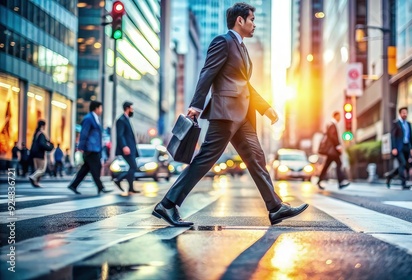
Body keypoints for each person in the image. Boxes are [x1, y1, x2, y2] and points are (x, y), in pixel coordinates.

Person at [152, 3, 308, 227]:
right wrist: (196, 105)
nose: (255, 24)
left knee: (256, 157)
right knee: (207, 157)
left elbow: (245, 85)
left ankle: (275, 207)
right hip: (225, 112)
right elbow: (207, 72)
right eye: (252, 19)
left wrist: (266, 108)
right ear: (240, 21)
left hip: (242, 115)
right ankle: (168, 204)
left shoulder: (242, 48)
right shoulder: (223, 42)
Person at [67, 101, 112, 195]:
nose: (101, 110)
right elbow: (84, 133)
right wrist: (81, 147)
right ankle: (100, 187)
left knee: (86, 168)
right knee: (96, 167)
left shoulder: (95, 118)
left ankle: (73, 185)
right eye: (100, 108)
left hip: (95, 148)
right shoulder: (88, 118)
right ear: (96, 108)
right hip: (90, 149)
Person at [317, 111, 350, 190]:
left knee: (327, 166)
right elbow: (332, 136)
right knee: (339, 163)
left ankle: (319, 180)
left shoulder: (330, 124)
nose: (340, 118)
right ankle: (341, 182)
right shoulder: (332, 124)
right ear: (335, 116)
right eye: (339, 117)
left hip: (331, 151)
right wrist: (338, 146)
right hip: (333, 151)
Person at [113, 101, 140, 194]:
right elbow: (120, 135)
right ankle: (118, 179)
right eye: (132, 108)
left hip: (130, 148)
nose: (133, 110)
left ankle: (131, 188)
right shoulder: (121, 120)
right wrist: (124, 146)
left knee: (132, 167)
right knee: (133, 167)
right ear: (128, 108)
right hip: (126, 149)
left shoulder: (126, 119)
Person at [385, 107, 412, 189]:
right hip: (399, 148)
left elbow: (411, 137)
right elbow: (393, 137)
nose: (405, 114)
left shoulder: (408, 124)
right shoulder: (396, 123)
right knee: (402, 163)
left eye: (406, 113)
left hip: (407, 146)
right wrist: (394, 148)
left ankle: (389, 176)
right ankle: (403, 183)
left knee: (404, 164)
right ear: (400, 114)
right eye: (403, 113)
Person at [29, 120, 54, 187]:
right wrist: (50, 147)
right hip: (39, 154)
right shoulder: (41, 134)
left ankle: (36, 183)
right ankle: (33, 177)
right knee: (42, 170)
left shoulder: (36, 133)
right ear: (43, 126)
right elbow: (42, 144)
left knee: (37, 169)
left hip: (34, 154)